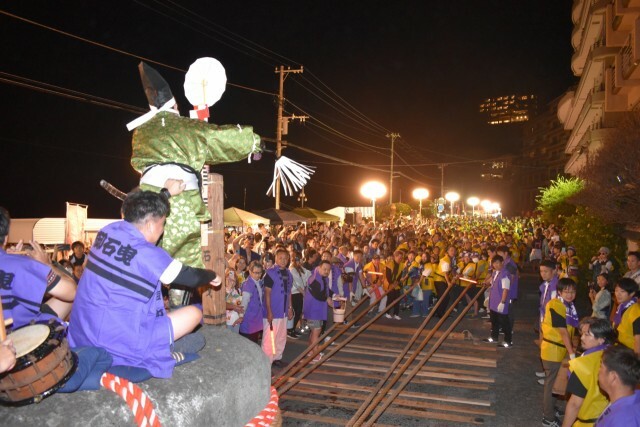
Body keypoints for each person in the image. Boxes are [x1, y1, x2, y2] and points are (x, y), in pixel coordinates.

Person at [68, 191, 221, 380]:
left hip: (83, 332)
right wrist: (212, 275)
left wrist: (165, 194)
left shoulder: (107, 232)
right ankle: (162, 349)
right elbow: (190, 277)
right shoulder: (147, 253)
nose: (162, 230)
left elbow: (141, 204)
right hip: (121, 342)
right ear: (150, 224)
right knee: (194, 315)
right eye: (162, 224)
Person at [0, 207, 112, 392]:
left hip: (11, 328)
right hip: (18, 345)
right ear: (5, 237)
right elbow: (72, 291)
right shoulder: (22, 265)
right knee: (100, 354)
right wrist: (46, 264)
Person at [563, 318, 616, 427]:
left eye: (587, 335)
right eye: (582, 334)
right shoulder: (617, 354)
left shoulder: (583, 364)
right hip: (613, 419)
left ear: (601, 339)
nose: (582, 338)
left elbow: (574, 404)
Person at [540, 278, 579, 427]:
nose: (570, 294)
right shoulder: (556, 305)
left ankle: (551, 409)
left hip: (559, 349)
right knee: (550, 384)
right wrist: (572, 354)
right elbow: (563, 331)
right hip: (552, 350)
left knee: (556, 382)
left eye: (573, 291)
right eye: (566, 291)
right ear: (560, 292)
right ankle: (548, 418)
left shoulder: (568, 305)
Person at [261, 248, 294, 367]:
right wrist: (269, 311)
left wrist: (290, 308)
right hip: (272, 312)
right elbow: (267, 293)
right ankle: (266, 363)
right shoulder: (270, 273)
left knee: (281, 337)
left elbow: (289, 292)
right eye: (280, 258)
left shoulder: (289, 274)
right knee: (269, 339)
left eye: (286, 258)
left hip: (284, 311)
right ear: (276, 258)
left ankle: (277, 358)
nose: (283, 260)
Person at [595, 346, 640, 426]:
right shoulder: (632, 397)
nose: (598, 371)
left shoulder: (624, 420)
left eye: (601, 366)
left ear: (612, 377)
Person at [303, 261, 333, 363]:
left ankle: (311, 351)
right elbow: (318, 294)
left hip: (317, 310)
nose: (326, 271)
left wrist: (333, 295)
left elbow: (326, 290)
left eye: (328, 270)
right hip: (313, 310)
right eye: (324, 269)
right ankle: (315, 355)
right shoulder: (314, 279)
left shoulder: (322, 278)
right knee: (316, 332)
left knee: (314, 332)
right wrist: (327, 299)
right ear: (319, 268)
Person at [483, 255, 512, 348]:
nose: (495, 265)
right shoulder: (495, 273)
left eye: (497, 263)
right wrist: (485, 282)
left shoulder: (505, 274)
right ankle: (494, 337)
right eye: (494, 263)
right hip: (493, 301)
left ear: (502, 263)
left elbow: (505, 289)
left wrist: (503, 302)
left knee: (504, 322)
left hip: (500, 302)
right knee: (494, 321)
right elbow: (490, 281)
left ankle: (508, 341)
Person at [612, 277, 640, 356]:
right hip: (621, 349)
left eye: (622, 291)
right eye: (616, 290)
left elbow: (638, 341)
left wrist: (636, 361)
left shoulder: (635, 312)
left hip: (630, 354)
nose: (618, 294)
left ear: (631, 293)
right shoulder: (621, 307)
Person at [239, 261, 264, 344]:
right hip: (249, 319)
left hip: (256, 317)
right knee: (248, 343)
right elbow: (244, 303)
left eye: (260, 272)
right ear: (250, 271)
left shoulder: (258, 282)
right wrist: (241, 315)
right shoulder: (247, 285)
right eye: (256, 273)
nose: (258, 275)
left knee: (254, 340)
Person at [289, 251, 311, 339]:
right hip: (295, 293)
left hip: (300, 292)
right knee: (296, 312)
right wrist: (304, 293)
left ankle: (293, 329)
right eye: (297, 260)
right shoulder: (292, 269)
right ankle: (290, 329)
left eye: (300, 260)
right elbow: (296, 283)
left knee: (299, 312)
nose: (299, 262)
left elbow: (308, 273)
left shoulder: (300, 268)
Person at [433, 245, 457, 318]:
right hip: (439, 279)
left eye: (454, 251)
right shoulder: (445, 259)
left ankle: (438, 312)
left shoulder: (451, 259)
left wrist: (455, 276)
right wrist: (449, 282)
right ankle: (440, 313)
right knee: (445, 297)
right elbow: (445, 272)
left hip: (442, 280)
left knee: (443, 297)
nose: (453, 252)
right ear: (447, 252)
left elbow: (452, 270)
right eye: (451, 250)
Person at [385, 250, 406, 320]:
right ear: (395, 257)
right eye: (399, 257)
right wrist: (391, 283)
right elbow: (388, 276)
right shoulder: (389, 264)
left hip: (396, 284)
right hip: (389, 283)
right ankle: (387, 312)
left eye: (401, 258)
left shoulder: (401, 265)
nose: (400, 259)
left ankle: (396, 314)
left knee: (397, 298)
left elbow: (399, 275)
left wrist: (396, 282)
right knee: (390, 298)